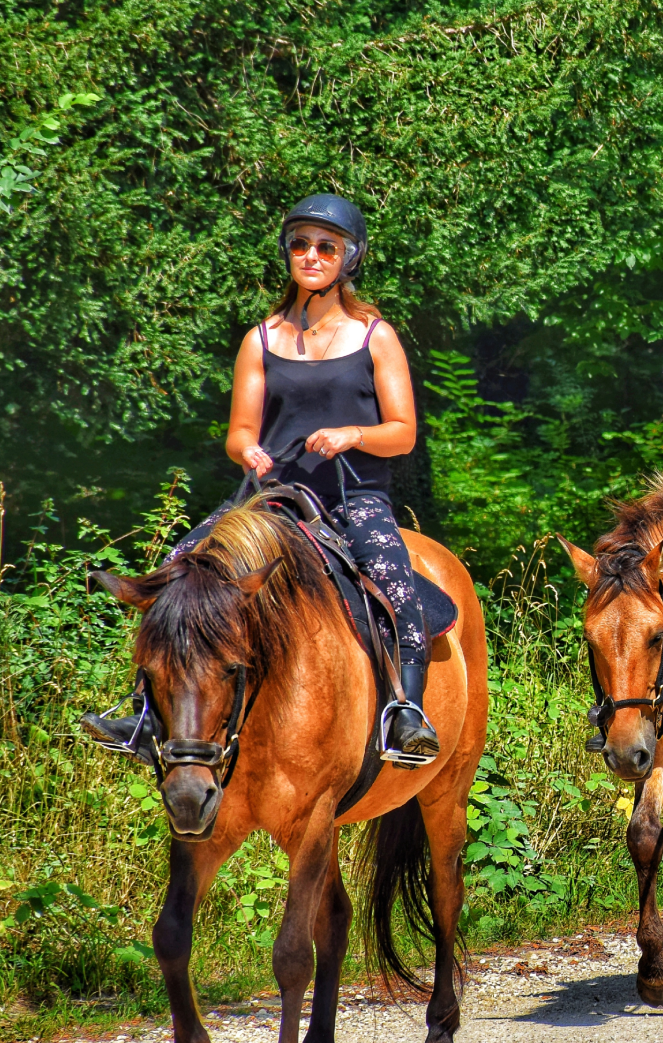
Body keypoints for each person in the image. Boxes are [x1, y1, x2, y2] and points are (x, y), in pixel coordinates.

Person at [84, 194, 438, 763]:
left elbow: (402, 433)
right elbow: (239, 434)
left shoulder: (376, 336)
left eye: (326, 247)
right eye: (300, 244)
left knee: (393, 579)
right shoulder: (262, 339)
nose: (311, 255)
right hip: (269, 498)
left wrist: (352, 434)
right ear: (288, 253)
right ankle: (144, 715)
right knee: (178, 573)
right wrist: (248, 450)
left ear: (349, 258)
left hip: (352, 496)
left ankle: (406, 713)